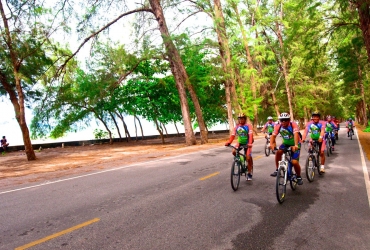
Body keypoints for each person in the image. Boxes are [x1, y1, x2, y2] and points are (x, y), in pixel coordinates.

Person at [269, 112, 303, 185]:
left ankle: (299, 176)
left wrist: (296, 145)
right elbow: (273, 136)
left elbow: (296, 134)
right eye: (282, 120)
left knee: (294, 162)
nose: (283, 122)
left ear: (289, 120)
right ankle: (277, 169)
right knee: (278, 152)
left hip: (295, 144)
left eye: (285, 120)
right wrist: (271, 144)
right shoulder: (278, 126)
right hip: (285, 143)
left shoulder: (293, 124)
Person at [225, 113, 254, 181]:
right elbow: (233, 135)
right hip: (240, 142)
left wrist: (249, 143)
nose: (241, 120)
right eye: (239, 118)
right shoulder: (237, 127)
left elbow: (250, 135)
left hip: (247, 142)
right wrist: (229, 142)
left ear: (245, 119)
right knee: (234, 152)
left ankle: (249, 173)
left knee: (248, 158)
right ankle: (241, 159)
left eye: (242, 118)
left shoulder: (248, 126)